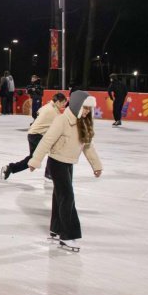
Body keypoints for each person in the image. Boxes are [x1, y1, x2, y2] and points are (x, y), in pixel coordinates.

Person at [28, 90, 102, 252]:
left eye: (89, 108)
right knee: (67, 197)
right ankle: (67, 236)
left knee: (59, 196)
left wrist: (96, 165)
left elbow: (88, 146)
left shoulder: (83, 122)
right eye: (85, 107)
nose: (87, 111)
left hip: (68, 163)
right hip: (56, 163)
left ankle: (56, 230)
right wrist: (35, 160)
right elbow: (47, 141)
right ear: (77, 105)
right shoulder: (62, 120)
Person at [1, 93, 67, 181]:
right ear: (58, 102)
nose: (64, 105)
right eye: (63, 103)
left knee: (33, 158)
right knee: (53, 151)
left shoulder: (47, 106)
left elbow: (38, 112)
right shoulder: (53, 112)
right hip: (37, 135)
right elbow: (61, 125)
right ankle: (49, 173)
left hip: (32, 134)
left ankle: (10, 168)